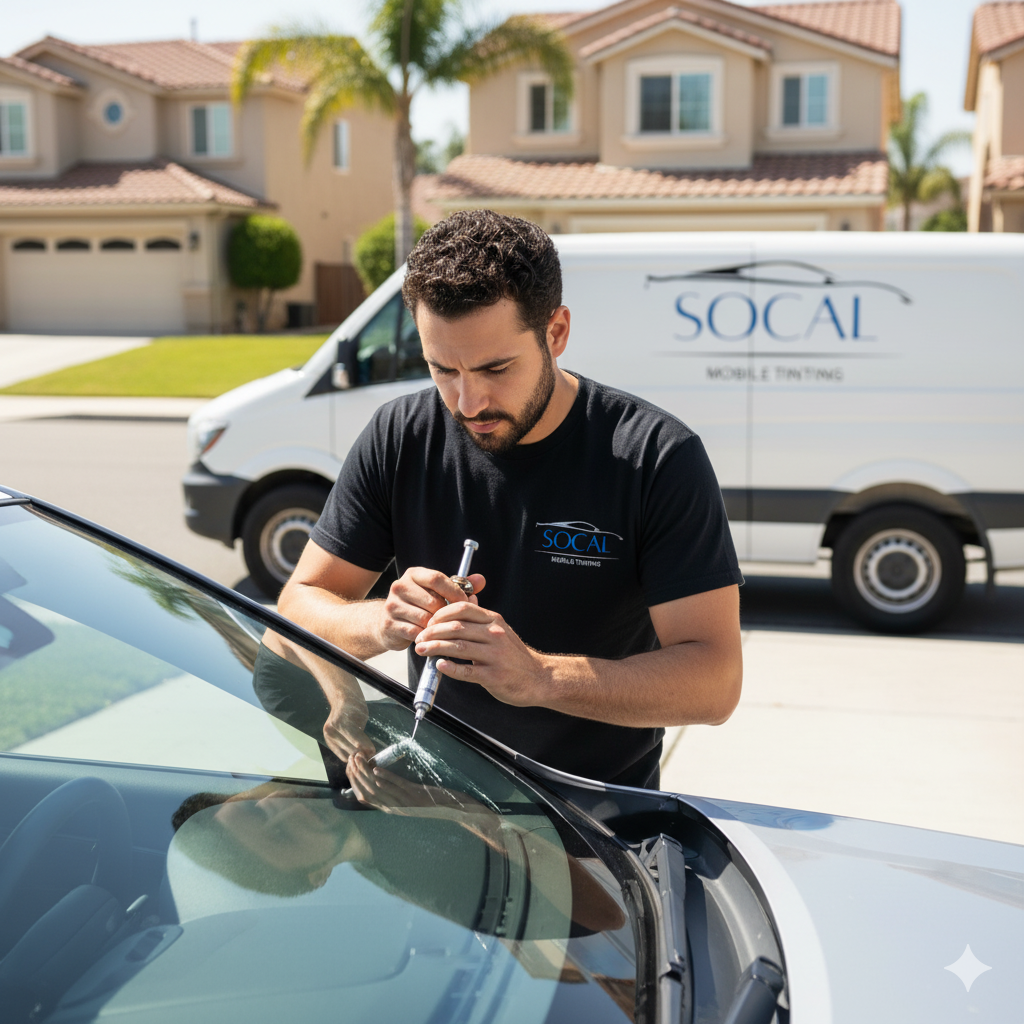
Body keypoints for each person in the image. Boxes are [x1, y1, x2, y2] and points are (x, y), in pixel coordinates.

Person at [278, 210, 743, 789]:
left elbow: (715, 680)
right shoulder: (400, 435)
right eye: (441, 368)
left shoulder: (655, 457)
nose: (468, 401)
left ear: (556, 332)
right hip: (430, 805)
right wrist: (385, 622)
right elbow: (297, 608)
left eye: (496, 368)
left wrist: (541, 678)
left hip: (594, 821)